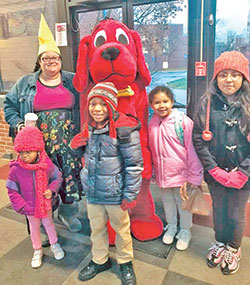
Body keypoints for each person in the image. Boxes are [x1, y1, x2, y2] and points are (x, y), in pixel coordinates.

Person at [4, 14, 82, 233]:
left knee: (67, 179)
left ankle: (68, 215)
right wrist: (19, 125)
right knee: (38, 182)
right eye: (46, 58)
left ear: (60, 60)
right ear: (39, 61)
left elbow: (86, 102)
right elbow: (9, 106)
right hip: (39, 146)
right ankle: (42, 224)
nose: (51, 62)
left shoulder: (71, 80)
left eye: (54, 58)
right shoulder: (25, 83)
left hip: (68, 144)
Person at [70, 82, 143, 284]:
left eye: (102, 104)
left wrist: (130, 195)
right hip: (93, 191)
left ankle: (125, 262)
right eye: (93, 104)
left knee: (121, 229)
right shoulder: (89, 127)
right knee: (96, 228)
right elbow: (86, 156)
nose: (97, 109)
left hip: (115, 193)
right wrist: (76, 148)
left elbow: (134, 165)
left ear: (111, 105)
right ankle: (100, 260)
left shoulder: (125, 130)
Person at [192, 51, 250, 275]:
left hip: (242, 175)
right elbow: (198, 137)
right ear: (216, 78)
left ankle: (233, 248)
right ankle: (220, 241)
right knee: (219, 209)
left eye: (235, 75)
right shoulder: (207, 103)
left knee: (236, 212)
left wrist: (243, 172)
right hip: (215, 172)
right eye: (223, 74)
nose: (228, 80)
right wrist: (213, 168)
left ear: (243, 78)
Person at [148, 86, 203, 251]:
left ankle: (185, 230)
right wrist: (152, 170)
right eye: (157, 102)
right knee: (168, 202)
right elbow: (152, 149)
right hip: (163, 175)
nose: (162, 105)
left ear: (172, 102)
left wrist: (194, 177)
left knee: (183, 204)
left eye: (165, 101)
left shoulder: (182, 121)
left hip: (182, 176)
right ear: (151, 105)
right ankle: (171, 225)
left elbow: (193, 150)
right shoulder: (153, 123)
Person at [6, 126, 65, 268]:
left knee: (49, 224)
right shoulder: (16, 169)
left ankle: (54, 244)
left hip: (45, 204)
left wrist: (51, 190)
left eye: (29, 152)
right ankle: (37, 250)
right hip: (29, 207)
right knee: (34, 228)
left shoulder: (46, 164)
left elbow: (58, 177)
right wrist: (22, 206)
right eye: (22, 152)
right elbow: (11, 189)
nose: (25, 156)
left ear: (38, 149)